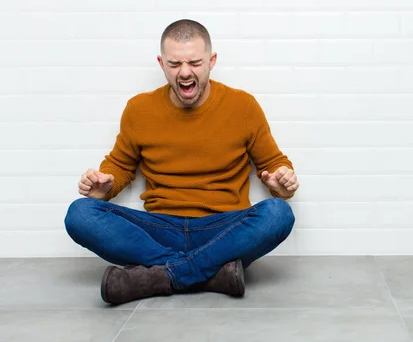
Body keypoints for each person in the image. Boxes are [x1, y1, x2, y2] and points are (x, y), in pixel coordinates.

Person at [64, 19, 299, 305]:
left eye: (195, 63)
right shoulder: (139, 109)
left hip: (222, 229)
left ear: (211, 61)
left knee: (279, 213)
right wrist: (105, 185)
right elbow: (121, 166)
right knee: (80, 213)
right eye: (175, 64)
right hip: (160, 229)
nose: (185, 73)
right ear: (162, 64)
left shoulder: (243, 106)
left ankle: (161, 275)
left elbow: (274, 164)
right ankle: (209, 273)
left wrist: (282, 184)